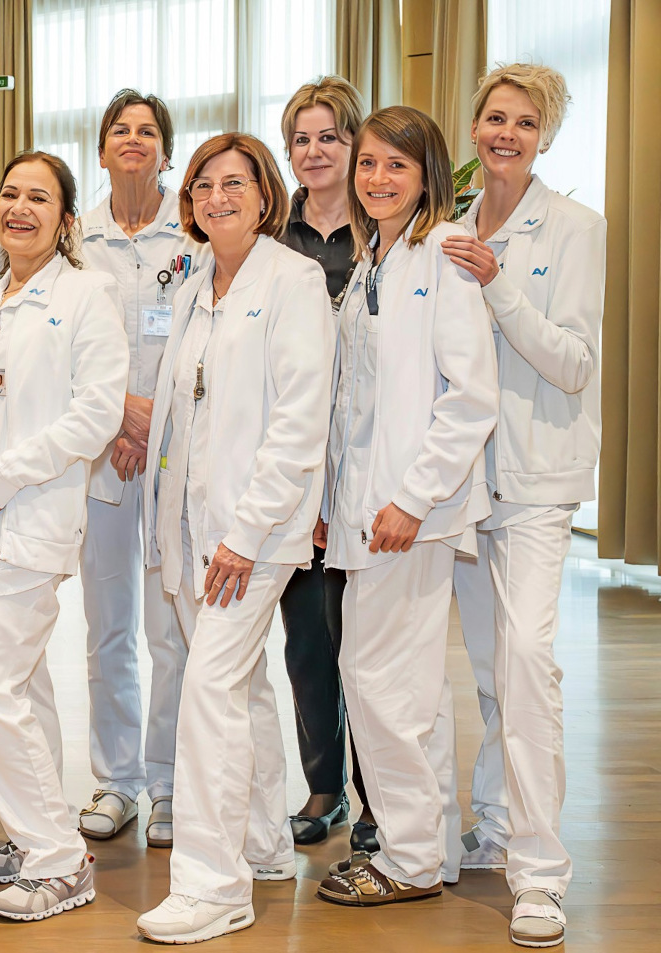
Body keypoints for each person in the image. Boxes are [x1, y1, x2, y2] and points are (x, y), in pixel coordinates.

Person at [132, 133, 332, 944]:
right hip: (189, 527)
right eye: (205, 185)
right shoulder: (190, 287)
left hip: (253, 534)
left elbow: (297, 420)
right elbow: (180, 408)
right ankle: (264, 844)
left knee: (209, 693)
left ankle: (216, 885)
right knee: (240, 687)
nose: (219, 197)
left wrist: (247, 534)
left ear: (264, 194)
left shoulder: (295, 279)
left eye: (236, 183)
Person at [0, 150, 126, 921]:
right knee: (26, 689)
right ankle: (32, 833)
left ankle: (60, 860)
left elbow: (96, 412)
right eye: (9, 194)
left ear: (66, 218)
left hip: (26, 521)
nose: (19, 207)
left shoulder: (86, 296)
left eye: (39, 197)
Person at [314, 105, 497, 907]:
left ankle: (411, 856)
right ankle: (426, 847)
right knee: (406, 683)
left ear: (428, 174)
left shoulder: (443, 259)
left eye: (397, 164)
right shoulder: (374, 261)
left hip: (407, 512)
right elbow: (352, 401)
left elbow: (470, 398)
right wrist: (328, 499)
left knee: (379, 677)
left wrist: (413, 498)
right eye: (369, 165)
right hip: (367, 509)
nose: (379, 178)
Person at [445, 63, 603, 949]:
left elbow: (574, 362)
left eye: (526, 121)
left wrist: (500, 281)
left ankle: (540, 872)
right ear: (474, 126)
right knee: (489, 671)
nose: (507, 132)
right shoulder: (448, 228)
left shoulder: (576, 227)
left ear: (545, 135)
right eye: (495, 116)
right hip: (469, 484)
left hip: (540, 481)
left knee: (530, 660)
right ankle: (497, 823)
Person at [75, 90, 209, 847]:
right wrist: (118, 417)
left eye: (148, 131)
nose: (133, 140)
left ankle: (166, 783)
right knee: (106, 627)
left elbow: (200, 333)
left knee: (170, 629)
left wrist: (149, 419)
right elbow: (66, 342)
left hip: (174, 453)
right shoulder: (76, 236)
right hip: (99, 453)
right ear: (100, 151)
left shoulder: (191, 234)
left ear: (167, 149)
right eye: (119, 130)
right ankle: (114, 780)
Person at [275, 75, 376, 854]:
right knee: (307, 636)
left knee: (370, 644)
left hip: (371, 467)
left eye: (329, 138)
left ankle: (382, 798)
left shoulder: (386, 233)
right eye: (302, 139)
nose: (314, 152)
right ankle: (324, 787)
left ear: (355, 144)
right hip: (299, 466)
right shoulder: (275, 236)